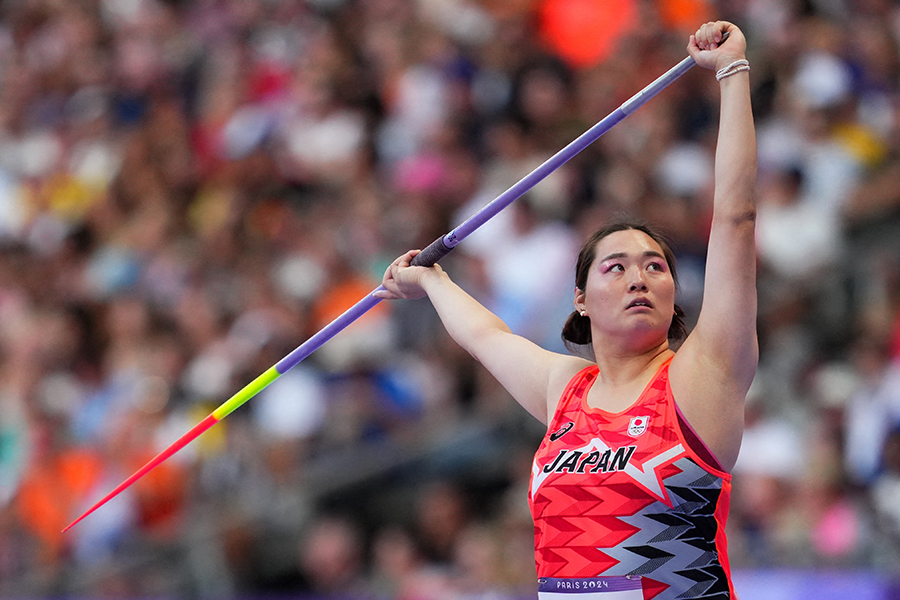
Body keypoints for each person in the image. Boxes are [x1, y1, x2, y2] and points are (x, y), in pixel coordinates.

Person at [375, 21, 756, 600]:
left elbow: (734, 219)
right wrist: (429, 280)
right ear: (580, 299)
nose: (639, 278)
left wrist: (732, 74)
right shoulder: (566, 390)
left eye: (656, 266)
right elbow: (485, 335)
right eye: (616, 267)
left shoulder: (702, 377)